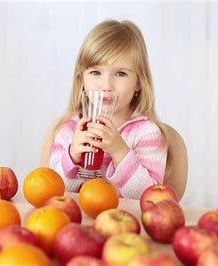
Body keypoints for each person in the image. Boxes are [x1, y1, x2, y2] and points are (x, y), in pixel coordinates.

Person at [40, 20, 168, 199]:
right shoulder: (68, 131)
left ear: (139, 82)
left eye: (121, 73)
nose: (106, 86)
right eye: (95, 72)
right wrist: (72, 157)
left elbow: (151, 197)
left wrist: (120, 151)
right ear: (81, 79)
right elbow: (52, 192)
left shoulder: (147, 134)